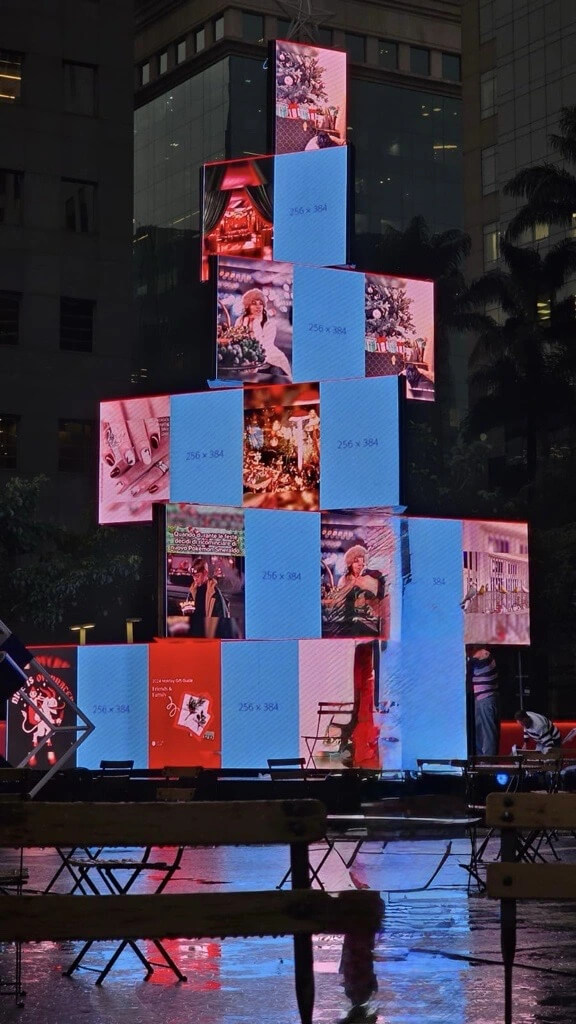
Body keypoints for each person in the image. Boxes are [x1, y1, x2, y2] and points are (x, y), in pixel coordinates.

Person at [236, 289, 292, 379]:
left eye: (260, 303)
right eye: (254, 303)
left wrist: (256, 323)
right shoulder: (240, 320)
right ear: (247, 306)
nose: (258, 306)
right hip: (243, 353)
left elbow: (265, 345)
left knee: (281, 361)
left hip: (266, 353)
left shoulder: (269, 324)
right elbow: (237, 339)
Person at [186, 557, 232, 639]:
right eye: (193, 576)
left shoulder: (215, 593)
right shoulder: (192, 591)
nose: (195, 579)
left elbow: (222, 620)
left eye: (197, 576)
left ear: (205, 573)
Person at [468, 646, 500, 756]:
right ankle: (481, 757)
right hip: (479, 698)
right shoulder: (476, 657)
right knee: (478, 730)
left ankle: (488, 760)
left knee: (488, 731)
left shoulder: (484, 654)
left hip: (487, 698)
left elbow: (473, 662)